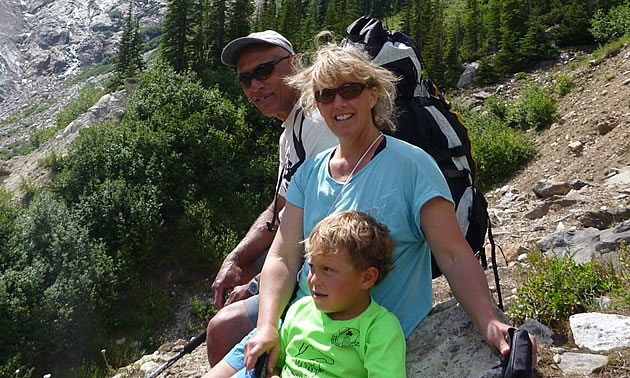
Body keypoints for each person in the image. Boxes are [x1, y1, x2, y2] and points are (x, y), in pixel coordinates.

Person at [211, 35, 537, 377]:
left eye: (349, 89)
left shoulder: (412, 166)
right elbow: (282, 256)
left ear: (373, 93)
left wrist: (487, 321)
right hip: (298, 327)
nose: (338, 103)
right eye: (325, 94)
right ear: (316, 104)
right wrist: (267, 326)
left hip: (358, 345)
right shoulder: (310, 172)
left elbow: (453, 254)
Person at [207, 30, 338, 366]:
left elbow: (324, 221)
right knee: (247, 268)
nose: (254, 86)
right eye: (245, 79)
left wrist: (255, 286)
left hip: (331, 267)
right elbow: (280, 208)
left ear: (294, 63)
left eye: (264, 72)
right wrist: (236, 259)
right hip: (307, 258)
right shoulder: (291, 130)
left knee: (221, 329)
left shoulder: (316, 123)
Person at [270, 210, 406, 377]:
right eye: (312, 267)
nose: (313, 280)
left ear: (367, 278)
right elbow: (275, 365)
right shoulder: (299, 310)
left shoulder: (379, 328)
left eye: (327, 269)